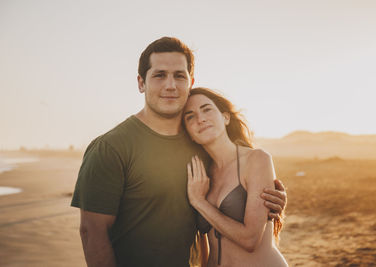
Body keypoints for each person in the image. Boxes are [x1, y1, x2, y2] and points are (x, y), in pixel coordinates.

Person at [71, 37, 287, 267]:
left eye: (179, 76)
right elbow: (91, 232)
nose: (171, 85)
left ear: (190, 82)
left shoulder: (200, 147)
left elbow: (229, 202)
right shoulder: (110, 148)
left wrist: (270, 201)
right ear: (141, 83)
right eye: (159, 75)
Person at [184, 87, 288, 266]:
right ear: (189, 134)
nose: (200, 119)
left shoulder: (256, 160)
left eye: (207, 109)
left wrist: (199, 202)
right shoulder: (199, 175)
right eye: (190, 116)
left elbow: (250, 240)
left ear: (225, 117)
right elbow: (204, 245)